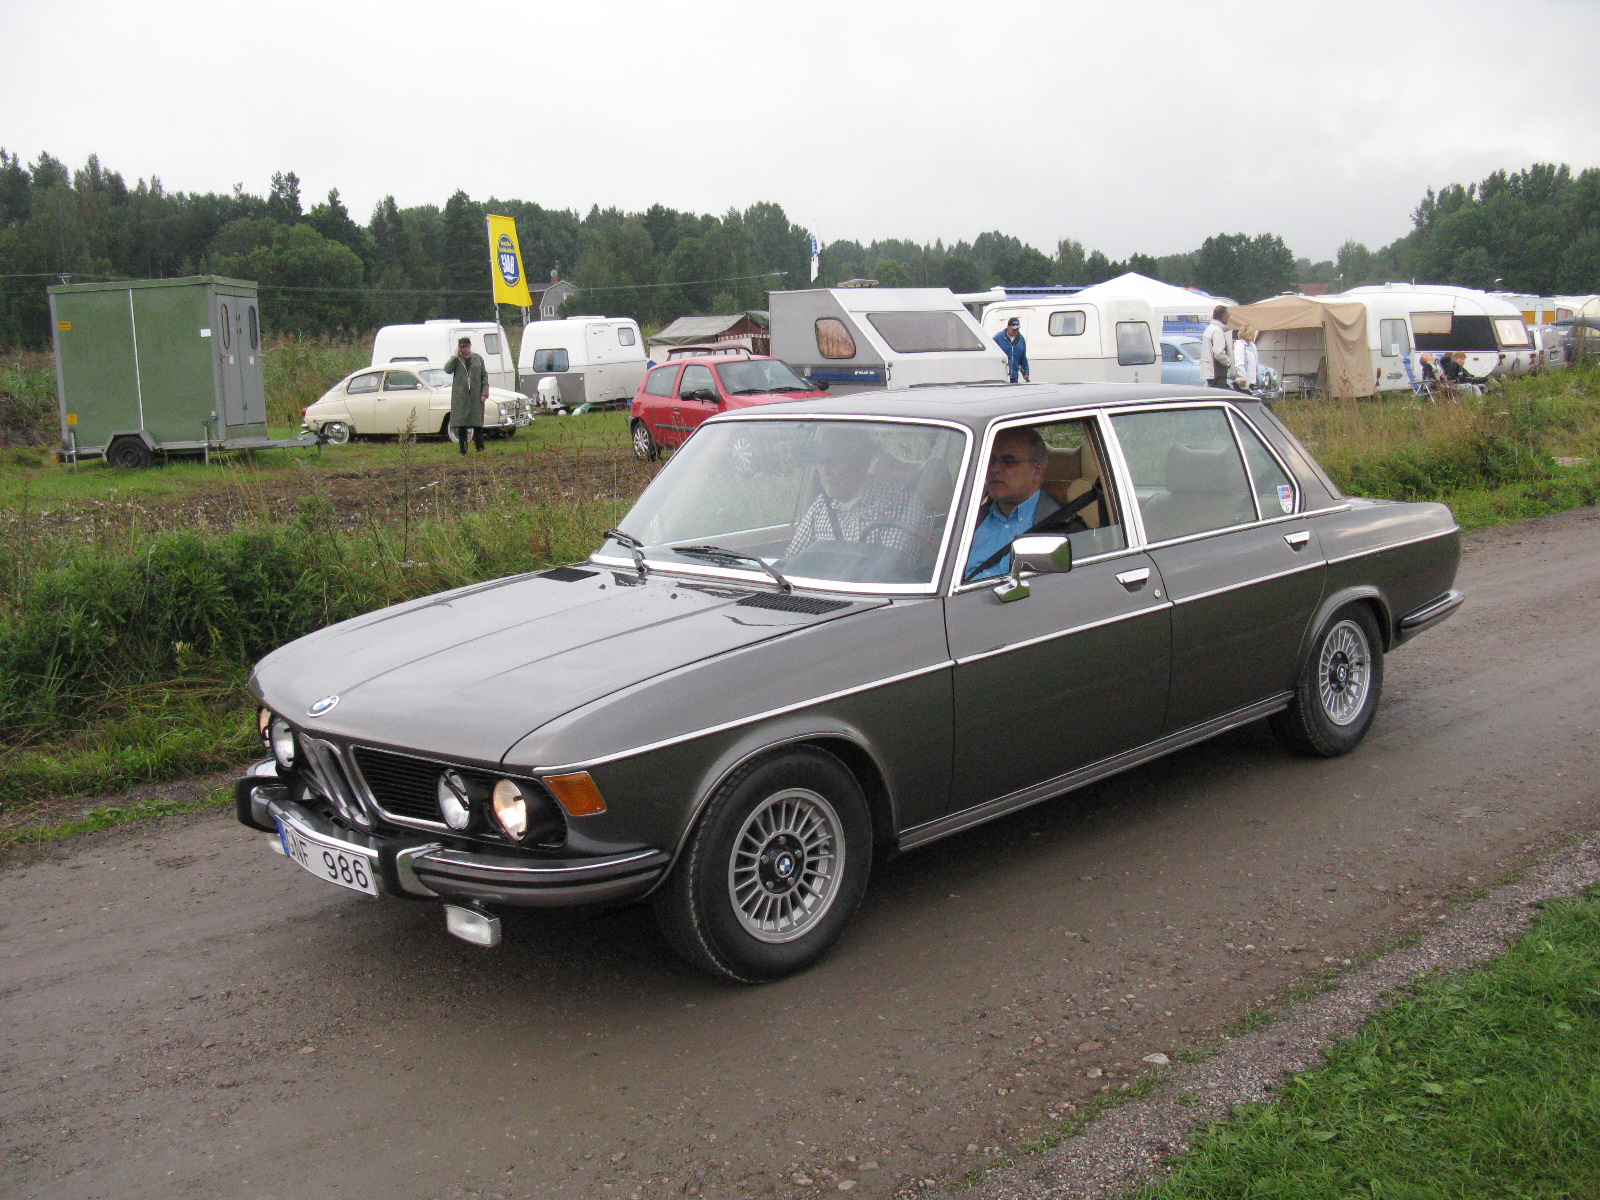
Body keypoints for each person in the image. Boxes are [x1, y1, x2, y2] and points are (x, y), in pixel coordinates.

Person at [784, 427, 933, 567]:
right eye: (820, 461)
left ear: (862, 462)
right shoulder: (821, 505)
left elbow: (886, 572)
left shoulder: (902, 504)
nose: (824, 469)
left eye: (834, 460)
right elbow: (791, 562)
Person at [963, 427, 1078, 582]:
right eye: (991, 460)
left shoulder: (1063, 528)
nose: (994, 469)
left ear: (1037, 471)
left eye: (1008, 462)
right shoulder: (967, 519)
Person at [443, 336, 489, 453]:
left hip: (475, 396)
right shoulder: (457, 360)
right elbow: (447, 369)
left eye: (466, 346)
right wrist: (455, 356)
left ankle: (480, 448)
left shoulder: (478, 358)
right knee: (462, 424)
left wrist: (484, 393)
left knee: (477, 423)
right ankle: (463, 450)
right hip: (461, 397)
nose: (464, 349)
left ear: (470, 346)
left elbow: (484, 377)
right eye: (462, 347)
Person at [1202, 305, 1233, 389]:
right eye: (1227, 314)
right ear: (1222, 316)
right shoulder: (1217, 331)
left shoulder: (1209, 329)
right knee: (1218, 396)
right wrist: (1229, 362)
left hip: (1209, 371)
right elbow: (1218, 353)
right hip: (1217, 372)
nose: (1229, 316)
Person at [994, 316, 1030, 383]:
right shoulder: (998, 337)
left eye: (1017, 329)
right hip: (1001, 377)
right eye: (1014, 329)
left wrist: (1026, 371)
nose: (1016, 331)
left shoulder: (1021, 339)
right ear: (1008, 327)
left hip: (1014, 376)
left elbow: (1023, 357)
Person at [1231, 327, 1259, 392]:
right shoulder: (1240, 346)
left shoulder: (1252, 346)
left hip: (1251, 381)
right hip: (1242, 383)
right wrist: (1243, 379)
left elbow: (1255, 363)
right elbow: (1239, 364)